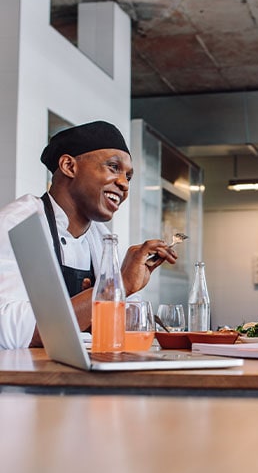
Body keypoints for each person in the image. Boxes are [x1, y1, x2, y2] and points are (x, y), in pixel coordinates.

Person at [0, 120, 177, 349]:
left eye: (128, 177)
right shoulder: (19, 223)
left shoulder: (102, 239)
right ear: (69, 166)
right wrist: (118, 284)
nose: (124, 184)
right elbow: (11, 331)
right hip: (23, 379)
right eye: (113, 167)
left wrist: (125, 288)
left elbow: (132, 331)